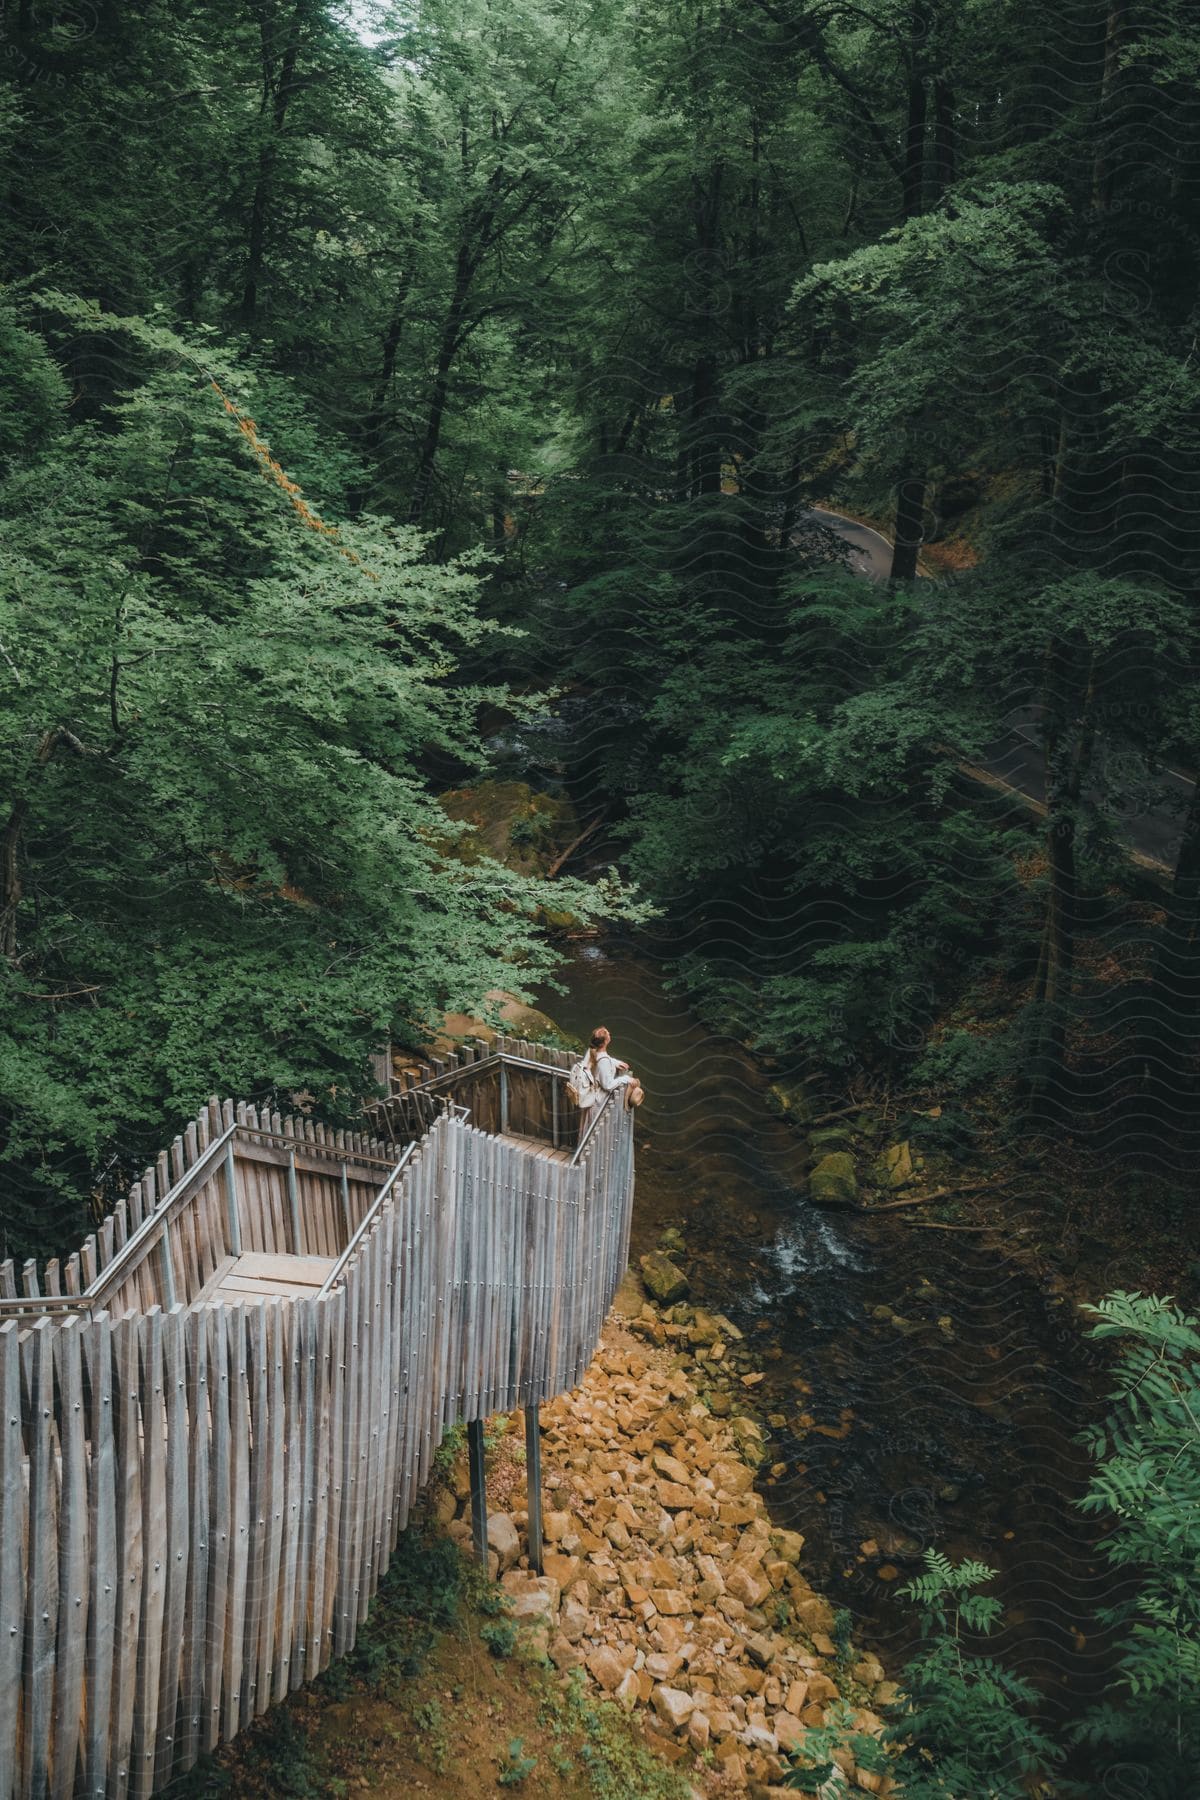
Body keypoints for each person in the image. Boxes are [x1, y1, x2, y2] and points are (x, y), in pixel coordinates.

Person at [578, 1025, 636, 1143]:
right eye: (608, 1034)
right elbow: (608, 1085)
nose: (610, 1034)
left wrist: (615, 1062)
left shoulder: (591, 1052)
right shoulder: (603, 1061)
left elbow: (602, 1059)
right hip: (598, 1103)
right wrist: (625, 1079)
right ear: (605, 1042)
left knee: (589, 1133)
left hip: (591, 1097)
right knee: (595, 1137)